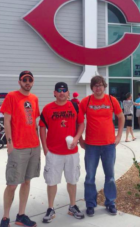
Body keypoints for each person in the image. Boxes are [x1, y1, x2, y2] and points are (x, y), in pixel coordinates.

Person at [0, 71, 41, 227]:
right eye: (25, 80)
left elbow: (34, 123)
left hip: (33, 146)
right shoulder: (11, 96)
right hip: (18, 147)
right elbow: (7, 121)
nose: (27, 82)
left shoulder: (34, 98)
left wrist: (39, 145)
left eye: (30, 80)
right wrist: (9, 143)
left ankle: (21, 215)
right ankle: (5, 218)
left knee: (27, 182)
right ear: (19, 82)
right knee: (12, 184)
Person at [79, 75, 125, 217]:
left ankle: (110, 202)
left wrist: (118, 137)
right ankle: (90, 204)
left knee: (110, 176)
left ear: (104, 86)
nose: (98, 88)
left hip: (109, 145)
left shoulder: (112, 100)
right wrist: (80, 139)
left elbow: (121, 117)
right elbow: (79, 121)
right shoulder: (86, 102)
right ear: (92, 87)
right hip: (91, 146)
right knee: (90, 177)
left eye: (100, 85)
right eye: (95, 85)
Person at [39, 82, 85, 223]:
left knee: (72, 179)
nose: (62, 93)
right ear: (54, 93)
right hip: (54, 152)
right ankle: (51, 208)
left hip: (71, 152)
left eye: (64, 91)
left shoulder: (75, 106)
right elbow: (41, 127)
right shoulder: (47, 109)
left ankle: (72, 206)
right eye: (59, 91)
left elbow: (81, 124)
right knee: (52, 181)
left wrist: (77, 139)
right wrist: (45, 148)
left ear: (68, 93)